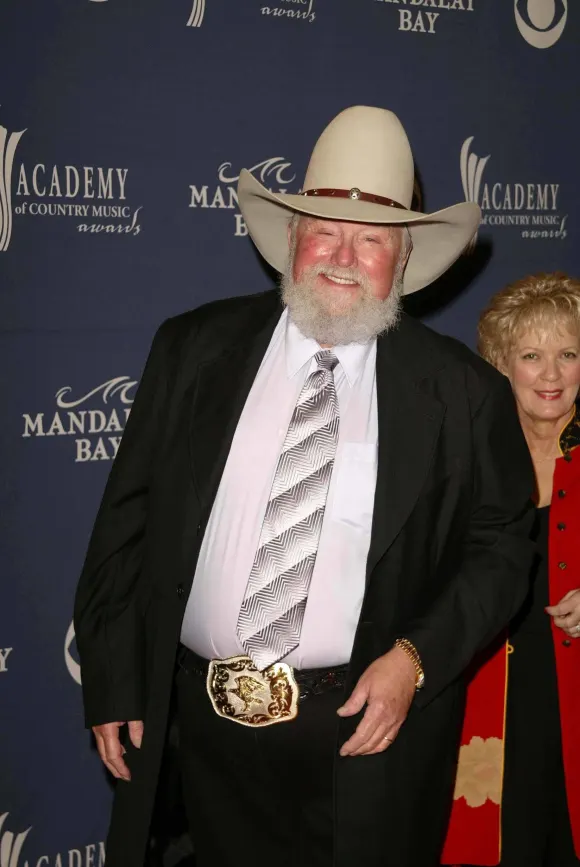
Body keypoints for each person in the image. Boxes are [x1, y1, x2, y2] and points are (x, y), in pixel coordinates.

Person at [74, 106, 535, 867]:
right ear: (290, 237)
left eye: (373, 239)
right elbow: (125, 523)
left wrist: (416, 659)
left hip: (362, 745)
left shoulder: (463, 392)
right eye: (325, 230)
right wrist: (116, 678)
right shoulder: (191, 348)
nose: (343, 257)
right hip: (191, 741)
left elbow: (503, 549)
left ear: (403, 258)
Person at [442, 273, 580, 867]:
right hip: (483, 698)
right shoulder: (467, 459)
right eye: (531, 356)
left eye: (568, 354)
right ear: (501, 365)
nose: (551, 374)